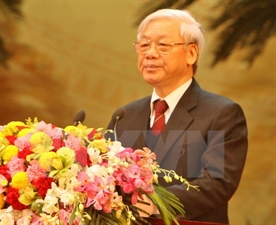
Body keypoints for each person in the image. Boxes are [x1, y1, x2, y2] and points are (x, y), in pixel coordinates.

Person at [106, 9, 248, 224]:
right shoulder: (125, 116)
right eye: (144, 45)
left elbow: (217, 183)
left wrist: (157, 204)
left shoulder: (222, 113)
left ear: (191, 53)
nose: (150, 54)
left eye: (162, 45)